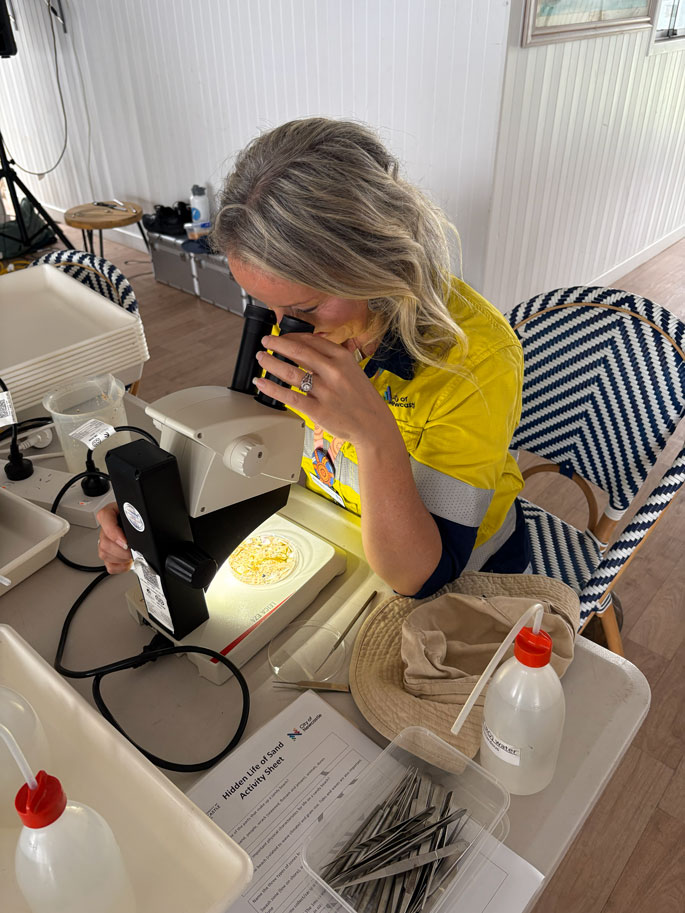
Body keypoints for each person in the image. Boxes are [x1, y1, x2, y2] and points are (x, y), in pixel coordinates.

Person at [97, 117, 530, 597]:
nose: (286, 328)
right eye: (267, 308)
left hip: (462, 579)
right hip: (331, 533)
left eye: (303, 310)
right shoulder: (306, 316)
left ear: (377, 262)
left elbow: (422, 576)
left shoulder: (475, 360)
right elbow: (251, 432)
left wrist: (374, 434)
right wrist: (155, 508)